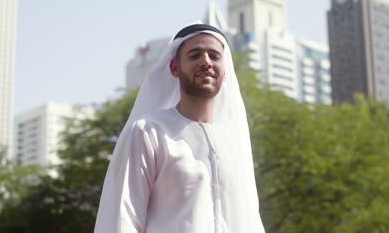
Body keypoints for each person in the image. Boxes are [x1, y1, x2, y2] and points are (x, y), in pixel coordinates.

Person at [94, 24, 264, 233]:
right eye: (195, 55)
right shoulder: (148, 132)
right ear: (174, 68)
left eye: (214, 56)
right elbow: (122, 218)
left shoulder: (233, 143)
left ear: (225, 70)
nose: (206, 62)